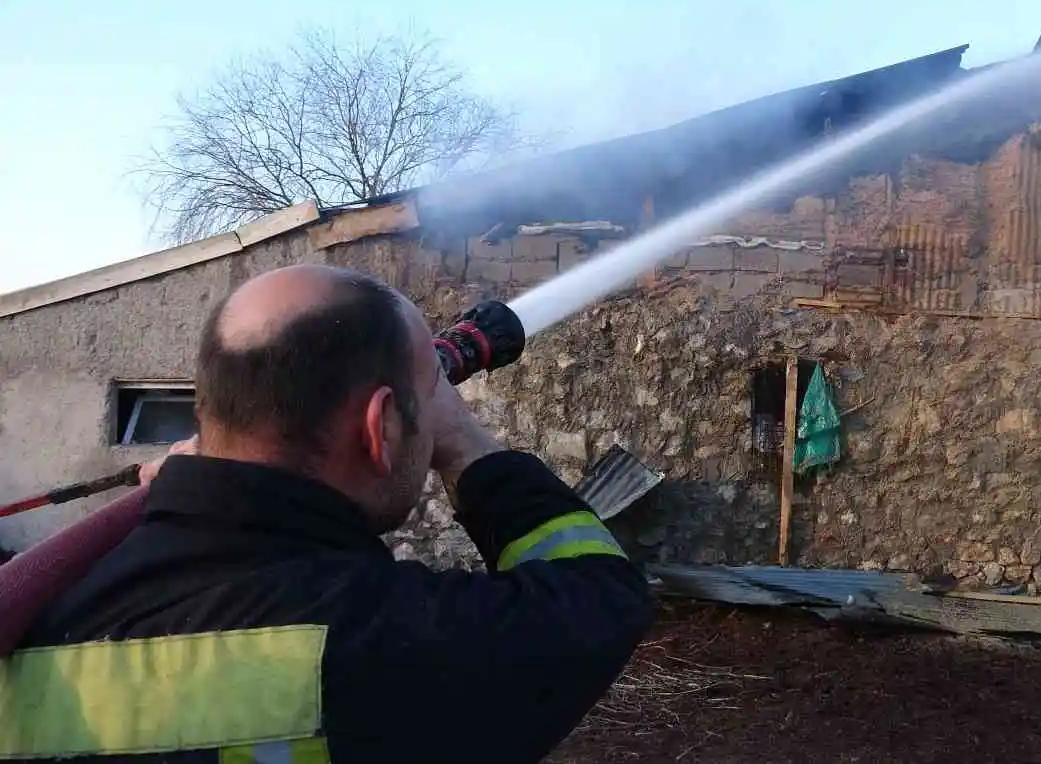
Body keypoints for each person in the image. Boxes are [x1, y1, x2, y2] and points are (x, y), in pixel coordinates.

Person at [4, 264, 654, 763]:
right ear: (380, 429)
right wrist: (465, 444)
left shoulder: (43, 620)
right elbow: (596, 594)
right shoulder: (381, 644)